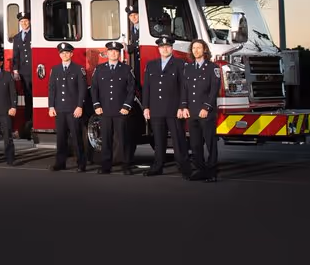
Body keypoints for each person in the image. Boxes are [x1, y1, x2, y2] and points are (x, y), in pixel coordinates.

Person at [143, 36, 191, 178]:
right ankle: (157, 167)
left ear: (172, 48)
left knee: (178, 139)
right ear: (158, 49)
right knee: (158, 140)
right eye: (162, 47)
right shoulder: (151, 65)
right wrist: (146, 106)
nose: (165, 49)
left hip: (174, 109)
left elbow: (184, 87)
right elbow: (147, 87)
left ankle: (184, 167)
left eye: (168, 47)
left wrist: (182, 106)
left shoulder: (180, 64)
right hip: (156, 109)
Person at [91, 41, 136, 175]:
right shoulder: (99, 69)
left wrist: (127, 106)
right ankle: (106, 165)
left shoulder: (126, 69)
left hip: (121, 110)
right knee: (106, 138)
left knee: (122, 138)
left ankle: (125, 165)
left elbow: (131, 89)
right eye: (111, 51)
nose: (113, 53)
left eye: (116, 51)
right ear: (107, 53)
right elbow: (94, 89)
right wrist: (96, 105)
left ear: (119, 53)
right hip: (104, 110)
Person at [183, 39, 221, 183]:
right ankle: (200, 169)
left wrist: (206, 107)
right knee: (195, 143)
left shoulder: (213, 68)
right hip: (192, 111)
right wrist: (184, 106)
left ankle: (212, 172)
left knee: (210, 142)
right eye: (194, 48)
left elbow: (214, 90)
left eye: (199, 48)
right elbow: (185, 89)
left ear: (205, 50)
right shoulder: (188, 68)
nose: (196, 50)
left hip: (206, 111)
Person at [48, 43, 88, 172]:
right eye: (62, 53)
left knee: (76, 137)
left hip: (73, 109)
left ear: (71, 54)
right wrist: (51, 106)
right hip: (60, 109)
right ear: (59, 55)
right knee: (61, 138)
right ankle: (60, 163)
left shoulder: (78, 69)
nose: (64, 55)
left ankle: (81, 163)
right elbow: (52, 89)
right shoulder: (55, 70)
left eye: (67, 53)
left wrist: (79, 106)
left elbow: (82, 90)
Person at [10, 12, 33, 135]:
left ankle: (33, 120)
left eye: (26, 21)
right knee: (27, 96)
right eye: (22, 22)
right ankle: (29, 121)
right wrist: (15, 69)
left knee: (34, 95)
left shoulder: (35, 35)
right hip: (23, 72)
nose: (24, 24)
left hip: (34, 70)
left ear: (29, 22)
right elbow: (16, 55)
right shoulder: (17, 37)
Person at [126, 5, 142, 88]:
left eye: (136, 14)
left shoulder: (145, 28)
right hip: (137, 60)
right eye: (131, 15)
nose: (133, 17)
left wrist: (129, 47)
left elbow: (137, 44)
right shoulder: (132, 29)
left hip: (144, 58)